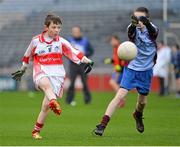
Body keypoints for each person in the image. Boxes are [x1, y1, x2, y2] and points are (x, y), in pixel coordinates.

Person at [11, 14, 93, 139]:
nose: (56, 30)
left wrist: (88, 61)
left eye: (58, 27)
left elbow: (75, 52)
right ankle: (54, 101)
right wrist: (23, 69)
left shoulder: (61, 41)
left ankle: (35, 131)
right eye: (54, 27)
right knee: (46, 86)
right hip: (41, 71)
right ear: (46, 27)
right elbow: (27, 56)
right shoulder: (36, 41)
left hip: (57, 75)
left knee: (45, 107)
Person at [93, 7, 158, 136]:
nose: (137, 20)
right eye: (135, 18)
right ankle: (102, 124)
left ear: (147, 19)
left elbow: (153, 33)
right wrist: (135, 24)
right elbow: (131, 32)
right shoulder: (131, 27)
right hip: (132, 69)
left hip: (146, 70)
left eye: (140, 18)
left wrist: (147, 23)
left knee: (142, 102)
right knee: (120, 95)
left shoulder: (153, 28)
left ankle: (138, 115)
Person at [66, 26, 94, 105]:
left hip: (83, 65)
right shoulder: (69, 40)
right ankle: (69, 100)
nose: (75, 33)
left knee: (85, 83)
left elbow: (91, 51)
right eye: (73, 31)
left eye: (76, 31)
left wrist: (86, 55)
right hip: (73, 65)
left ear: (80, 32)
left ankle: (88, 100)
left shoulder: (85, 41)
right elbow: (66, 52)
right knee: (72, 83)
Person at [104, 35, 128, 107]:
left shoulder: (120, 48)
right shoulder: (115, 48)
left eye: (112, 41)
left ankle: (121, 99)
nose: (111, 42)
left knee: (113, 82)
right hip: (118, 68)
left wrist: (120, 67)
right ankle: (121, 99)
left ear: (116, 40)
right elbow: (117, 59)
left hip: (120, 69)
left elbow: (124, 58)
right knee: (116, 84)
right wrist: (111, 61)